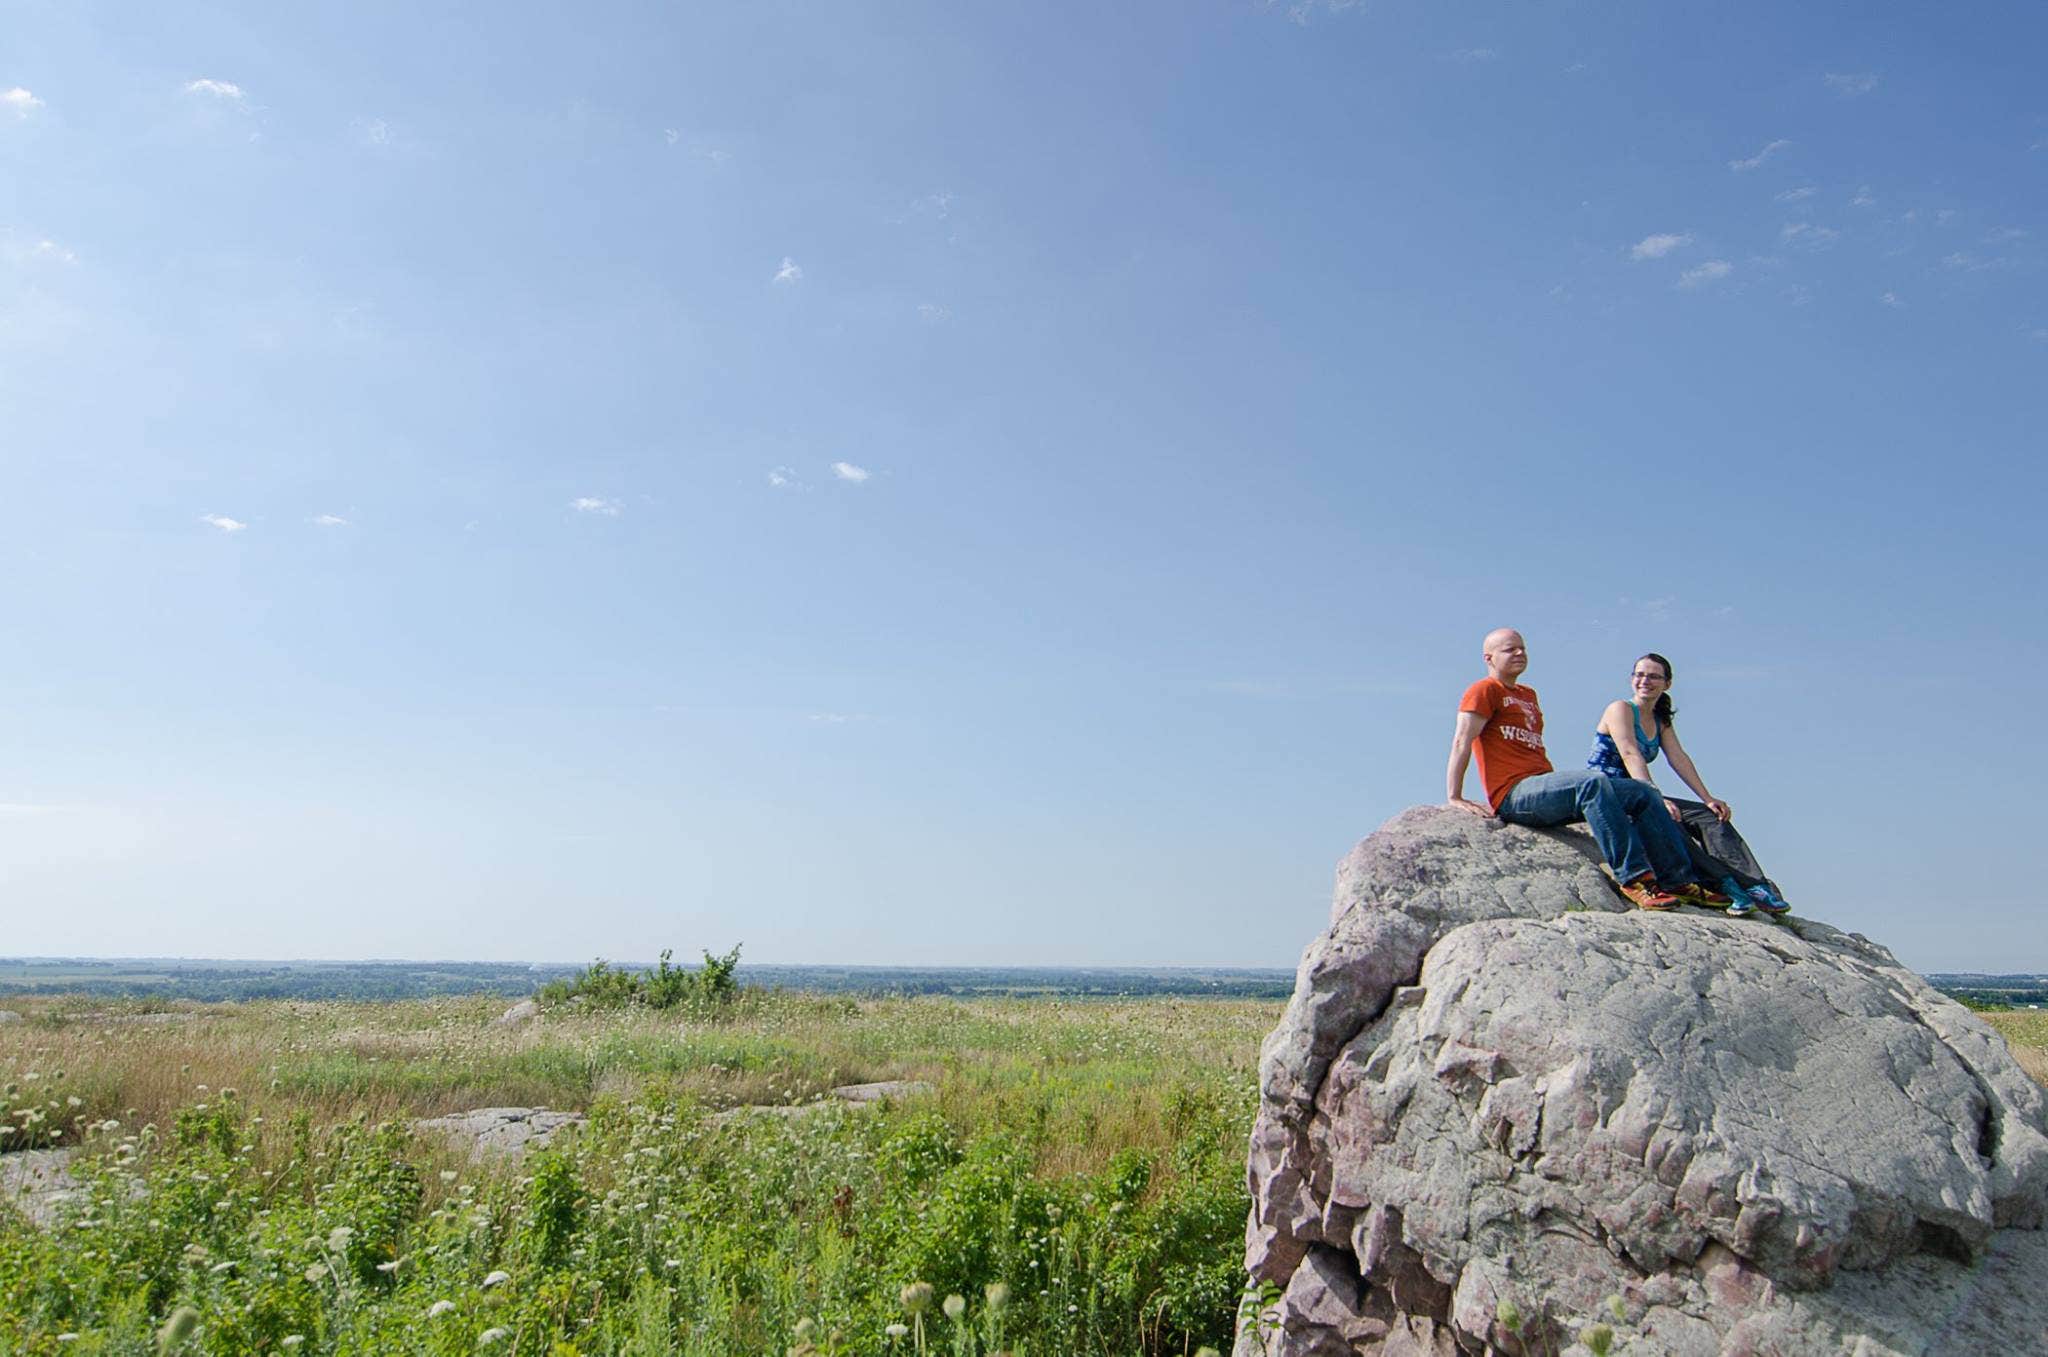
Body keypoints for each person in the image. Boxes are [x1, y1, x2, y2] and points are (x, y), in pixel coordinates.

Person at [1446, 628, 1728, 912]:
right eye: (1510, 649)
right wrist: (1455, 796)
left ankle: (1678, 880)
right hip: (1514, 794)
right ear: (1489, 658)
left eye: (1522, 648)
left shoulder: (1527, 695)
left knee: (1642, 792)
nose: (1520, 653)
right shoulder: (1483, 690)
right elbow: (1462, 740)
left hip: (1543, 787)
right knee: (1591, 782)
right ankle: (1634, 879)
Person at [1589, 652, 1790, 917]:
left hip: (1641, 790)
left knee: (1710, 816)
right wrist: (1656, 798)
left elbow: (1679, 758)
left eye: (1653, 676)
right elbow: (1629, 753)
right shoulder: (1621, 709)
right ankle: (1725, 885)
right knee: (1666, 817)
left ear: (1667, 684)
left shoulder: (1661, 720)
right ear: (1631, 679)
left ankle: (1754, 885)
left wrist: (1708, 797)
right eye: (1639, 675)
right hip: (1610, 792)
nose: (1645, 681)